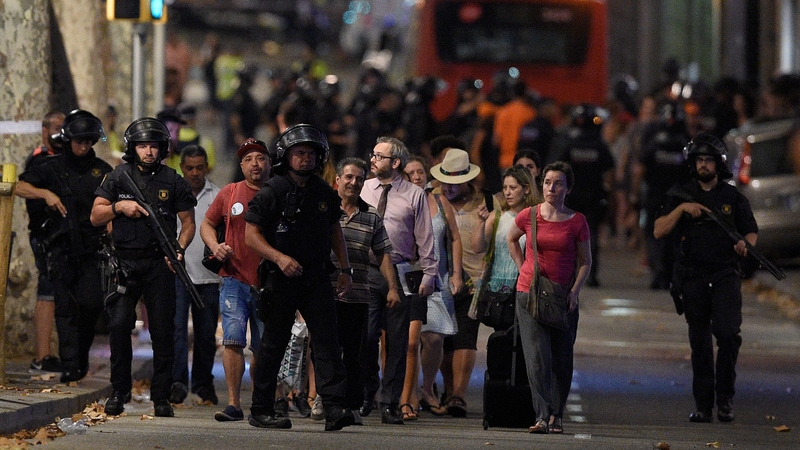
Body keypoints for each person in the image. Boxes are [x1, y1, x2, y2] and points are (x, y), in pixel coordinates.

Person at [244, 124, 358, 431]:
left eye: (311, 154)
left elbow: (336, 232)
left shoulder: (324, 193)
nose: (306, 159)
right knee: (273, 344)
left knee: (327, 343)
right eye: (300, 153)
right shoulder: (273, 190)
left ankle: (333, 408)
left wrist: (345, 271)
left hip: (317, 277)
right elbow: (250, 234)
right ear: (286, 155)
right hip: (280, 279)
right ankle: (261, 408)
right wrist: (279, 258)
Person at [91, 117, 196, 418]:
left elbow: (187, 223)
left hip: (159, 263)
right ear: (132, 148)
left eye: (153, 146)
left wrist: (180, 248)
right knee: (120, 326)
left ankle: (161, 396)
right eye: (142, 146)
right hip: (124, 263)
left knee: (163, 332)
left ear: (162, 149)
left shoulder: (173, 180)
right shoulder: (117, 176)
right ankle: (119, 391)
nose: (148, 151)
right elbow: (95, 216)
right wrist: (117, 208)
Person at [653, 133, 757, 423]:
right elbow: (659, 230)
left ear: (718, 164)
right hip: (693, 277)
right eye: (699, 160)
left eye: (708, 160)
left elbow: (750, 231)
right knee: (699, 344)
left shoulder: (732, 197)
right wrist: (683, 210)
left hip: (725, 274)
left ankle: (725, 399)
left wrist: (745, 245)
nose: (703, 165)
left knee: (727, 335)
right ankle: (703, 405)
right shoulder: (679, 194)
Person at [17, 109, 112, 382]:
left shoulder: (102, 171)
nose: (83, 146)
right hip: (60, 249)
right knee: (65, 309)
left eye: (88, 142)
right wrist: (45, 193)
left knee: (92, 304)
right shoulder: (51, 167)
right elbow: (18, 185)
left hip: (92, 249)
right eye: (78, 141)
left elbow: (115, 203)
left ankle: (80, 354)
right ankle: (70, 363)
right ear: (68, 139)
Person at [507, 161, 592, 434]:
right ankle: (542, 416)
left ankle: (557, 414)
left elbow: (585, 262)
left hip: (561, 297)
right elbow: (511, 239)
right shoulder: (529, 215)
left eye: (558, 183)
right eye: (547, 182)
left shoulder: (577, 221)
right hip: (529, 294)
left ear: (568, 189)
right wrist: (524, 269)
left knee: (562, 357)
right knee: (537, 357)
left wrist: (575, 291)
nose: (551, 188)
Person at [360, 137, 436, 425]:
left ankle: (391, 402)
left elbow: (425, 238)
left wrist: (429, 274)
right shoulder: (365, 188)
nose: (373, 160)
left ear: (395, 163)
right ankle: (369, 388)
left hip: (401, 270)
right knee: (366, 337)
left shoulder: (415, 195)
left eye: (379, 156)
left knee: (397, 342)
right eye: (373, 154)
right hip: (368, 270)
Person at [201, 139, 270, 422]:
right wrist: (215, 246)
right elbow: (207, 223)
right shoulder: (230, 193)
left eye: (261, 158)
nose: (255, 163)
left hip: (269, 282)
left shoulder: (279, 193)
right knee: (232, 340)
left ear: (269, 163)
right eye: (249, 159)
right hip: (233, 278)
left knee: (264, 346)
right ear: (241, 166)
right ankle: (233, 404)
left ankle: (262, 403)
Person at [431, 148, 498, 417]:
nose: (449, 187)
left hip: (474, 281)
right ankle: (448, 391)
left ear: (467, 181)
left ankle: (459, 394)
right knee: (442, 341)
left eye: (455, 183)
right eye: (445, 181)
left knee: (465, 339)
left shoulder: (487, 202)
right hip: (438, 279)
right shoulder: (431, 199)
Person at [331, 157, 395, 414]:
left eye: (359, 178)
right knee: (325, 350)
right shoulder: (324, 210)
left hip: (358, 294)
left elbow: (382, 254)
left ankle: (352, 405)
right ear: (337, 180)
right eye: (348, 177)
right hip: (326, 292)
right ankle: (325, 399)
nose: (354, 182)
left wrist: (392, 287)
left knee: (357, 352)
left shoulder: (371, 216)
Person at [403, 155, 461, 417]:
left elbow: (455, 238)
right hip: (409, 279)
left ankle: (427, 388)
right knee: (411, 341)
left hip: (437, 280)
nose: (416, 176)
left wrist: (457, 273)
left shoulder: (439, 200)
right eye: (411, 173)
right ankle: (409, 393)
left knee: (435, 338)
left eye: (420, 172)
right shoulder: (398, 201)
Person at [170, 145, 221, 406]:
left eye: (199, 167)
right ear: (182, 168)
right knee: (176, 331)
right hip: (178, 274)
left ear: (206, 167)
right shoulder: (172, 194)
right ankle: (177, 382)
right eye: (189, 168)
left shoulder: (218, 196)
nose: (195, 173)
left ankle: (203, 383)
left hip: (209, 277)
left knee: (205, 334)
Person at [550, 104, 614, 287]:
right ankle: (590, 275)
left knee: (566, 236)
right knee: (590, 235)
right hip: (594, 196)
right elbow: (610, 171)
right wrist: (610, 194)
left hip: (570, 197)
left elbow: (556, 169)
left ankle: (565, 274)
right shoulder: (599, 144)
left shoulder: (567, 143)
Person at [471, 165, 540, 329]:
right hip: (500, 290)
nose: (507, 192)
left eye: (513, 188)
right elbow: (477, 247)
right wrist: (481, 222)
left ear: (527, 189)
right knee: (503, 337)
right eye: (505, 188)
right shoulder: (498, 216)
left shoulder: (537, 216)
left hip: (527, 286)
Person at [23, 110, 65, 373]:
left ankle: (60, 354)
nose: (61, 133)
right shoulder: (40, 159)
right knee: (47, 292)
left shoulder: (67, 160)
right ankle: (42, 356)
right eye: (57, 128)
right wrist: (45, 194)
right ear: (44, 130)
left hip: (66, 237)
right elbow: (19, 186)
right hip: (45, 236)